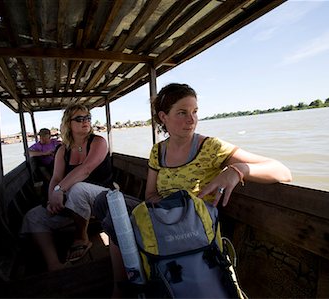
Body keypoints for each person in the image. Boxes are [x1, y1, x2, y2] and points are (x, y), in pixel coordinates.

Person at [94, 83, 292, 297]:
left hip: (194, 227)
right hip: (162, 217)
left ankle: (132, 284)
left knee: (115, 216)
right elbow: (149, 195)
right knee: (105, 203)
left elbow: (282, 171)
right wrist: (168, 206)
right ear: (163, 117)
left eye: (195, 112)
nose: (192, 119)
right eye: (182, 113)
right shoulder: (157, 151)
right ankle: (123, 284)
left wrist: (237, 170)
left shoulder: (211, 147)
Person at [21, 104, 113, 271]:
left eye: (87, 118)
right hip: (74, 204)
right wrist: (51, 200)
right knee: (32, 216)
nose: (85, 121)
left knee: (77, 188)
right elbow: (56, 177)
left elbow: (86, 169)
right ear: (68, 123)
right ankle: (54, 265)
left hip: (102, 199)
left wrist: (59, 190)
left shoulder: (98, 142)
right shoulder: (63, 150)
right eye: (79, 118)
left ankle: (81, 238)